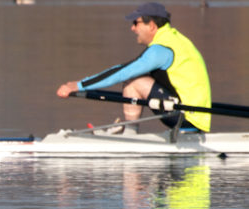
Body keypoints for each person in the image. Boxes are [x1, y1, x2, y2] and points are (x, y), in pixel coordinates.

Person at [57, 2, 211, 134]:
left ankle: (130, 134)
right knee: (135, 78)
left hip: (186, 118)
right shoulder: (175, 38)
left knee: (133, 81)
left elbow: (122, 72)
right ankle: (130, 132)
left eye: (136, 23)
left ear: (151, 26)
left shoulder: (161, 49)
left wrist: (79, 85)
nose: (132, 28)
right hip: (193, 115)